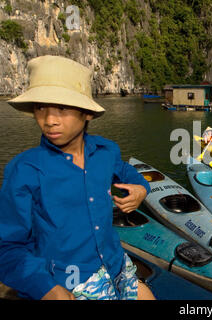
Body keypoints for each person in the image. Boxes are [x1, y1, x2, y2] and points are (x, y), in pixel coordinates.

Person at [0, 55, 156, 300]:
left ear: (88, 114)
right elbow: (8, 247)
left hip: (115, 263)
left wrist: (140, 189)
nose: (49, 120)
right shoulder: (24, 170)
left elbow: (125, 172)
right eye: (41, 107)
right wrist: (47, 289)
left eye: (62, 108)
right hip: (68, 283)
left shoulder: (105, 151)